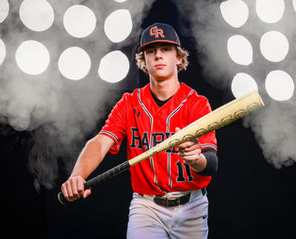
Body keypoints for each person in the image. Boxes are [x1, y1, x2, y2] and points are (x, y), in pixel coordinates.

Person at [61, 22, 218, 239]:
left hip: (192, 206)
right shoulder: (129, 104)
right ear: (143, 61)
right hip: (147, 207)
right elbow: (100, 142)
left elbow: (211, 163)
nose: (158, 56)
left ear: (179, 58)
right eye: (151, 51)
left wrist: (196, 160)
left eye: (165, 49)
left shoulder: (197, 104)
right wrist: (78, 176)